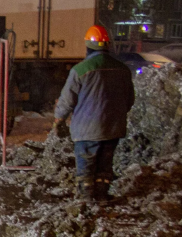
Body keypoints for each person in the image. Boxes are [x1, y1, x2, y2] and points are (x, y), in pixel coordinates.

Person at [53, 24, 136, 202]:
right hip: (113, 129)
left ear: (87, 45)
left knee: (86, 168)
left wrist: (59, 120)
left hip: (86, 131)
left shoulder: (80, 70)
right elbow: (129, 101)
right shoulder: (123, 69)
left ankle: (86, 200)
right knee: (105, 167)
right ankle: (102, 197)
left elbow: (67, 100)